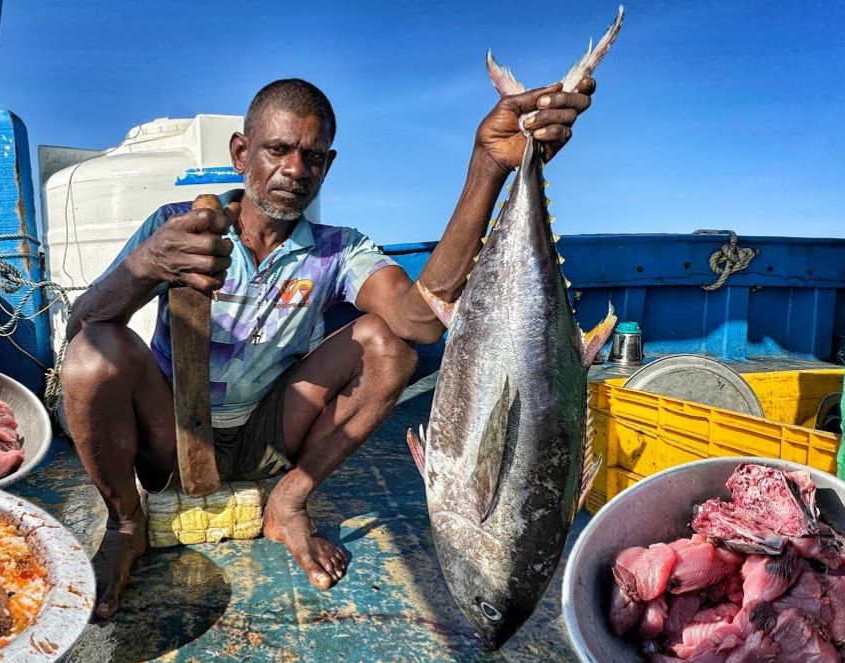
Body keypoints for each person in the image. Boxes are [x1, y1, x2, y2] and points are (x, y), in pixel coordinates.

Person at [61, 76, 596, 621]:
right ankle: (126, 522)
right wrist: (147, 264)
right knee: (92, 352)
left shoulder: (340, 249)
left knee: (389, 347)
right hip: (170, 433)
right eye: (277, 150)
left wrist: (487, 166)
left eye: (312, 157)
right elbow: (79, 331)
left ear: (327, 165)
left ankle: (288, 500)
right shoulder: (174, 226)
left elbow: (421, 322)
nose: (295, 170)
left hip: (267, 436)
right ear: (241, 153)